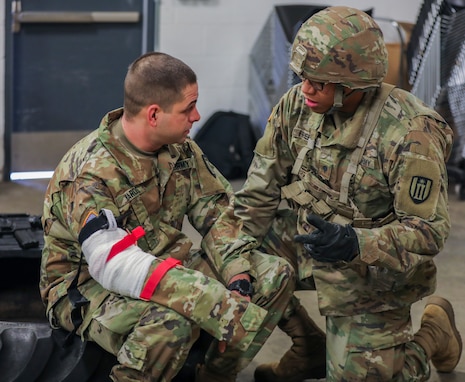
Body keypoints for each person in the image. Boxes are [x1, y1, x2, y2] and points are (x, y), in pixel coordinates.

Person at [235, 6, 463, 381]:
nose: (305, 89)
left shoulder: (411, 133)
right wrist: (234, 265)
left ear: (354, 85)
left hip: (372, 269)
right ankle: (309, 346)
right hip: (305, 239)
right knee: (222, 268)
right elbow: (257, 195)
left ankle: (434, 334)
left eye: (319, 82)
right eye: (302, 76)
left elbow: (429, 231)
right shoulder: (297, 104)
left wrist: (356, 242)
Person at [39, 51, 296, 382]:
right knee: (171, 324)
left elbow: (217, 213)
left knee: (273, 273)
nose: (198, 116)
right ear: (154, 114)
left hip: (164, 266)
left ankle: (213, 376)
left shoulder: (181, 148)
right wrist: (209, 298)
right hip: (88, 289)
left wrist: (237, 276)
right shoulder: (90, 172)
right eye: (188, 108)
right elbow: (110, 262)